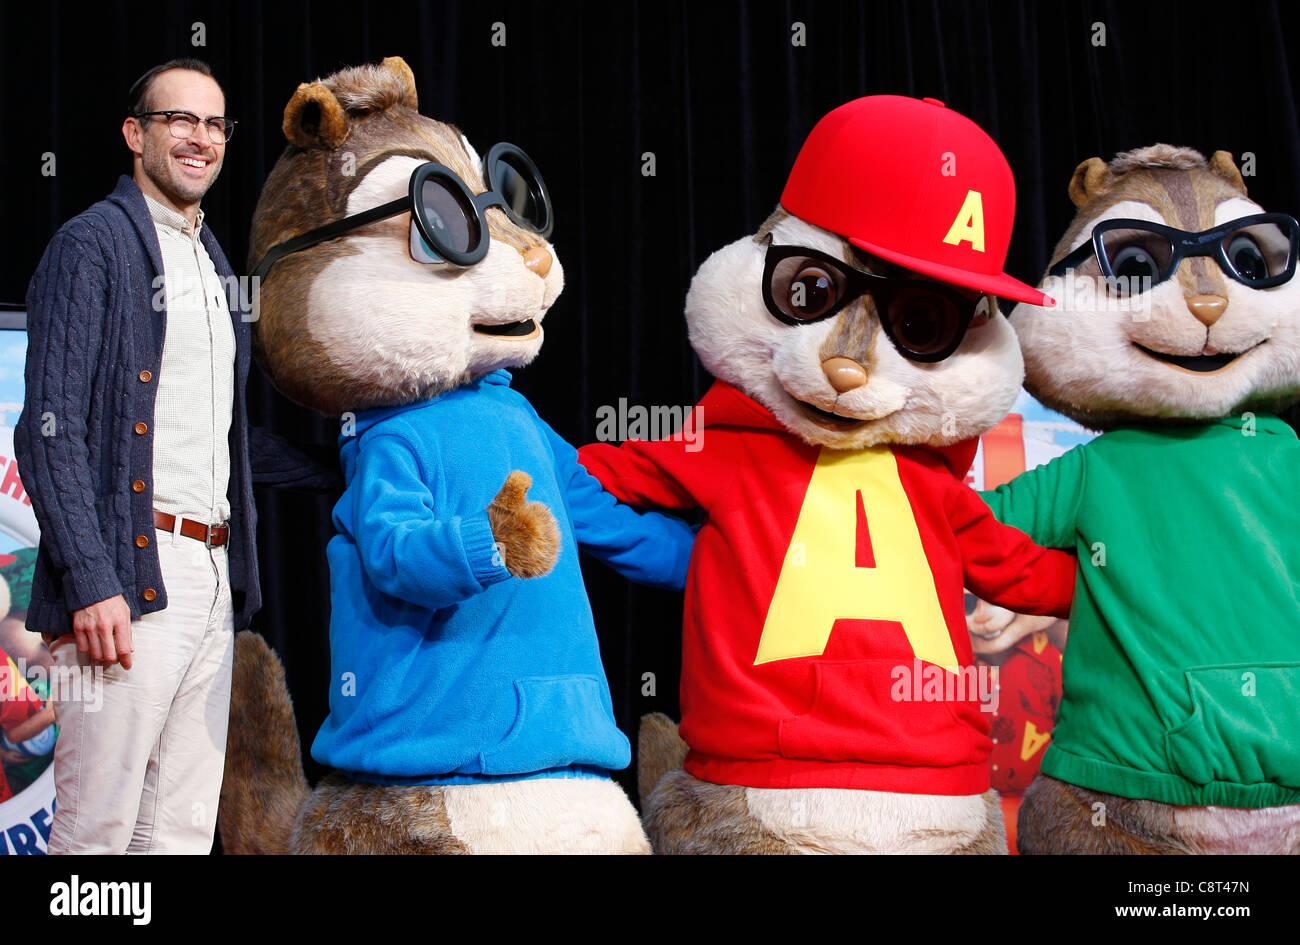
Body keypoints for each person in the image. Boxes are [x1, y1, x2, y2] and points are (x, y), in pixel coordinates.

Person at [16, 57, 259, 853]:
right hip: (128, 578)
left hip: (212, 577)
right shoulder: (92, 244)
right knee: (97, 833)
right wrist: (91, 581)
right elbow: (49, 427)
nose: (200, 138)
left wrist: (358, 451)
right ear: (135, 135)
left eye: (214, 123)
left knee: (180, 834)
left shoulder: (215, 264)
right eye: (178, 120)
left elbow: (224, 438)